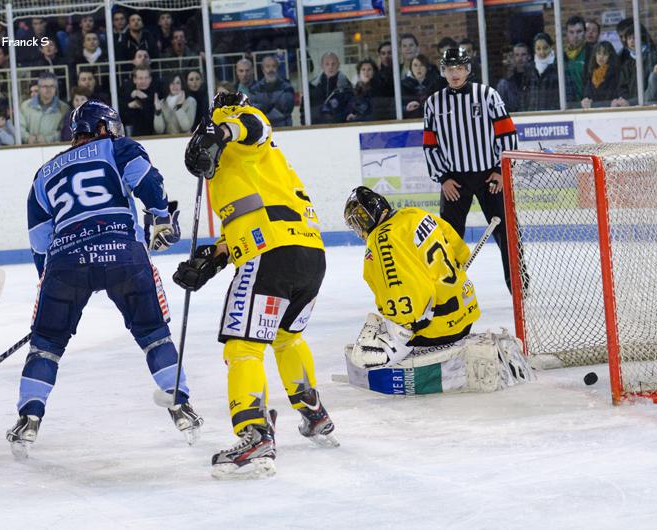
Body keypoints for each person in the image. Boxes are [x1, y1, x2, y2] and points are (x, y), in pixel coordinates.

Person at [8, 100, 203, 456]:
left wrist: (49, 284)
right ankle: (182, 408)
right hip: (124, 254)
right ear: (102, 128)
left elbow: (39, 240)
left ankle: (28, 420)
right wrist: (160, 216)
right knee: (154, 336)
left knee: (46, 345)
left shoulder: (44, 173)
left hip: (66, 261)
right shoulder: (118, 147)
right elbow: (146, 179)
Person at [178, 91, 337, 478]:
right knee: (287, 338)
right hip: (309, 254)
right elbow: (253, 217)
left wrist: (220, 130)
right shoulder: (256, 168)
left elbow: (255, 125)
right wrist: (213, 259)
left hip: (271, 255)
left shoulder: (238, 127)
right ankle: (313, 412)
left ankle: (255, 434)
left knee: (243, 346)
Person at [341, 187, 531, 395]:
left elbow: (404, 292)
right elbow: (462, 252)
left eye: (358, 221)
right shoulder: (415, 214)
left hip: (437, 329)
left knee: (366, 353)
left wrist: (402, 331)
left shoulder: (380, 240)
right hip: (466, 314)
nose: (359, 227)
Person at [423, 48, 519, 293]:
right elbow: (430, 144)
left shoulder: (487, 95)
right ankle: (448, 290)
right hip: (455, 180)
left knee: (507, 234)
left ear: (468, 69)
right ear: (443, 71)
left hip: (490, 177)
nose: (455, 73)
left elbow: (506, 133)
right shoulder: (433, 103)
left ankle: (519, 288)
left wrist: (501, 170)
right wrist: (443, 178)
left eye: (459, 68)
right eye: (450, 68)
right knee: (448, 241)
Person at [612, 24, 657, 107]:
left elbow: (653, 87)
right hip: (631, 106)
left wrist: (632, 102)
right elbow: (622, 87)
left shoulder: (652, 57)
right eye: (629, 38)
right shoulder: (627, 63)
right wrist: (626, 100)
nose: (632, 41)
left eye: (635, 38)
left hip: (650, 105)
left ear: (642, 38)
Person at [19, 72, 70, 144]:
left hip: (53, 149)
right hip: (28, 148)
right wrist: (27, 138)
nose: (48, 89)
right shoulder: (25, 106)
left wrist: (47, 139)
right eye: (45, 86)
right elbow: (19, 128)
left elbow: (64, 131)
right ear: (39, 88)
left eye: (52, 86)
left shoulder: (64, 108)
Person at [307, 52, 353, 124]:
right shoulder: (312, 86)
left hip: (340, 127)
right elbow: (305, 109)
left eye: (333, 64)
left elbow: (351, 107)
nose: (330, 67)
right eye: (327, 64)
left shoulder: (347, 86)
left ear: (338, 65)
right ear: (322, 65)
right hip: (317, 129)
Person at [251, 55, 295, 128]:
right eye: (267, 66)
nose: (271, 69)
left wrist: (265, 109)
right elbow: (255, 110)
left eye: (273, 66)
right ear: (263, 69)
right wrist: (270, 106)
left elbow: (285, 108)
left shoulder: (287, 87)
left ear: (277, 68)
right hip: (263, 128)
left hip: (284, 128)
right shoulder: (255, 89)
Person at [524, 33, 560, 111]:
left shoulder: (558, 66)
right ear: (534, 49)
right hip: (532, 115)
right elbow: (524, 95)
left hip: (553, 115)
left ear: (551, 47)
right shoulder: (529, 68)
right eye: (538, 48)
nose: (542, 52)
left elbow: (568, 94)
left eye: (545, 48)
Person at [581, 41, 620, 109]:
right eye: (598, 53)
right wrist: (586, 99)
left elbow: (613, 95)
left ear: (610, 56)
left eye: (605, 54)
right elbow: (587, 93)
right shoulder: (591, 74)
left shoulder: (615, 74)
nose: (601, 57)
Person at [120, 66, 157, 137]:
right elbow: (121, 118)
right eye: (140, 78)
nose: (143, 81)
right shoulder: (126, 96)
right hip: (131, 138)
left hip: (153, 137)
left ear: (150, 79)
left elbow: (152, 120)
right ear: (134, 79)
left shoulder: (156, 95)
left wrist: (145, 99)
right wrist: (128, 106)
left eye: (146, 78)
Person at [563, 15, 592, 105]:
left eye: (579, 31)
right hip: (567, 105)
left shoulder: (592, 53)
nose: (575, 36)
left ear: (585, 32)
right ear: (567, 34)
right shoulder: (561, 57)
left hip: (587, 104)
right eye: (571, 32)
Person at [401, 54, 439, 119]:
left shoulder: (435, 83)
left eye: (422, 65)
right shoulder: (403, 85)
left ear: (427, 67)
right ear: (411, 68)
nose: (418, 68)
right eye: (415, 65)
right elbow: (396, 107)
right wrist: (406, 108)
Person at [495, 43, 530, 112]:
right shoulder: (505, 84)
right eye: (517, 55)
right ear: (513, 57)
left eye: (523, 55)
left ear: (529, 56)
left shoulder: (535, 78)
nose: (520, 58)